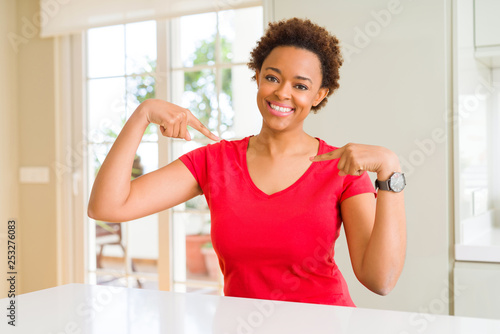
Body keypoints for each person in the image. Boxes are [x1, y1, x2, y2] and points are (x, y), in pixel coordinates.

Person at [88, 17, 406, 307]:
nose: (282, 93)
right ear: (256, 77)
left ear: (319, 95)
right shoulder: (215, 161)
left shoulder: (341, 168)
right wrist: (142, 114)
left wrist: (390, 169)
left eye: (300, 86)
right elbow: (107, 207)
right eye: (272, 77)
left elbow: (381, 280)